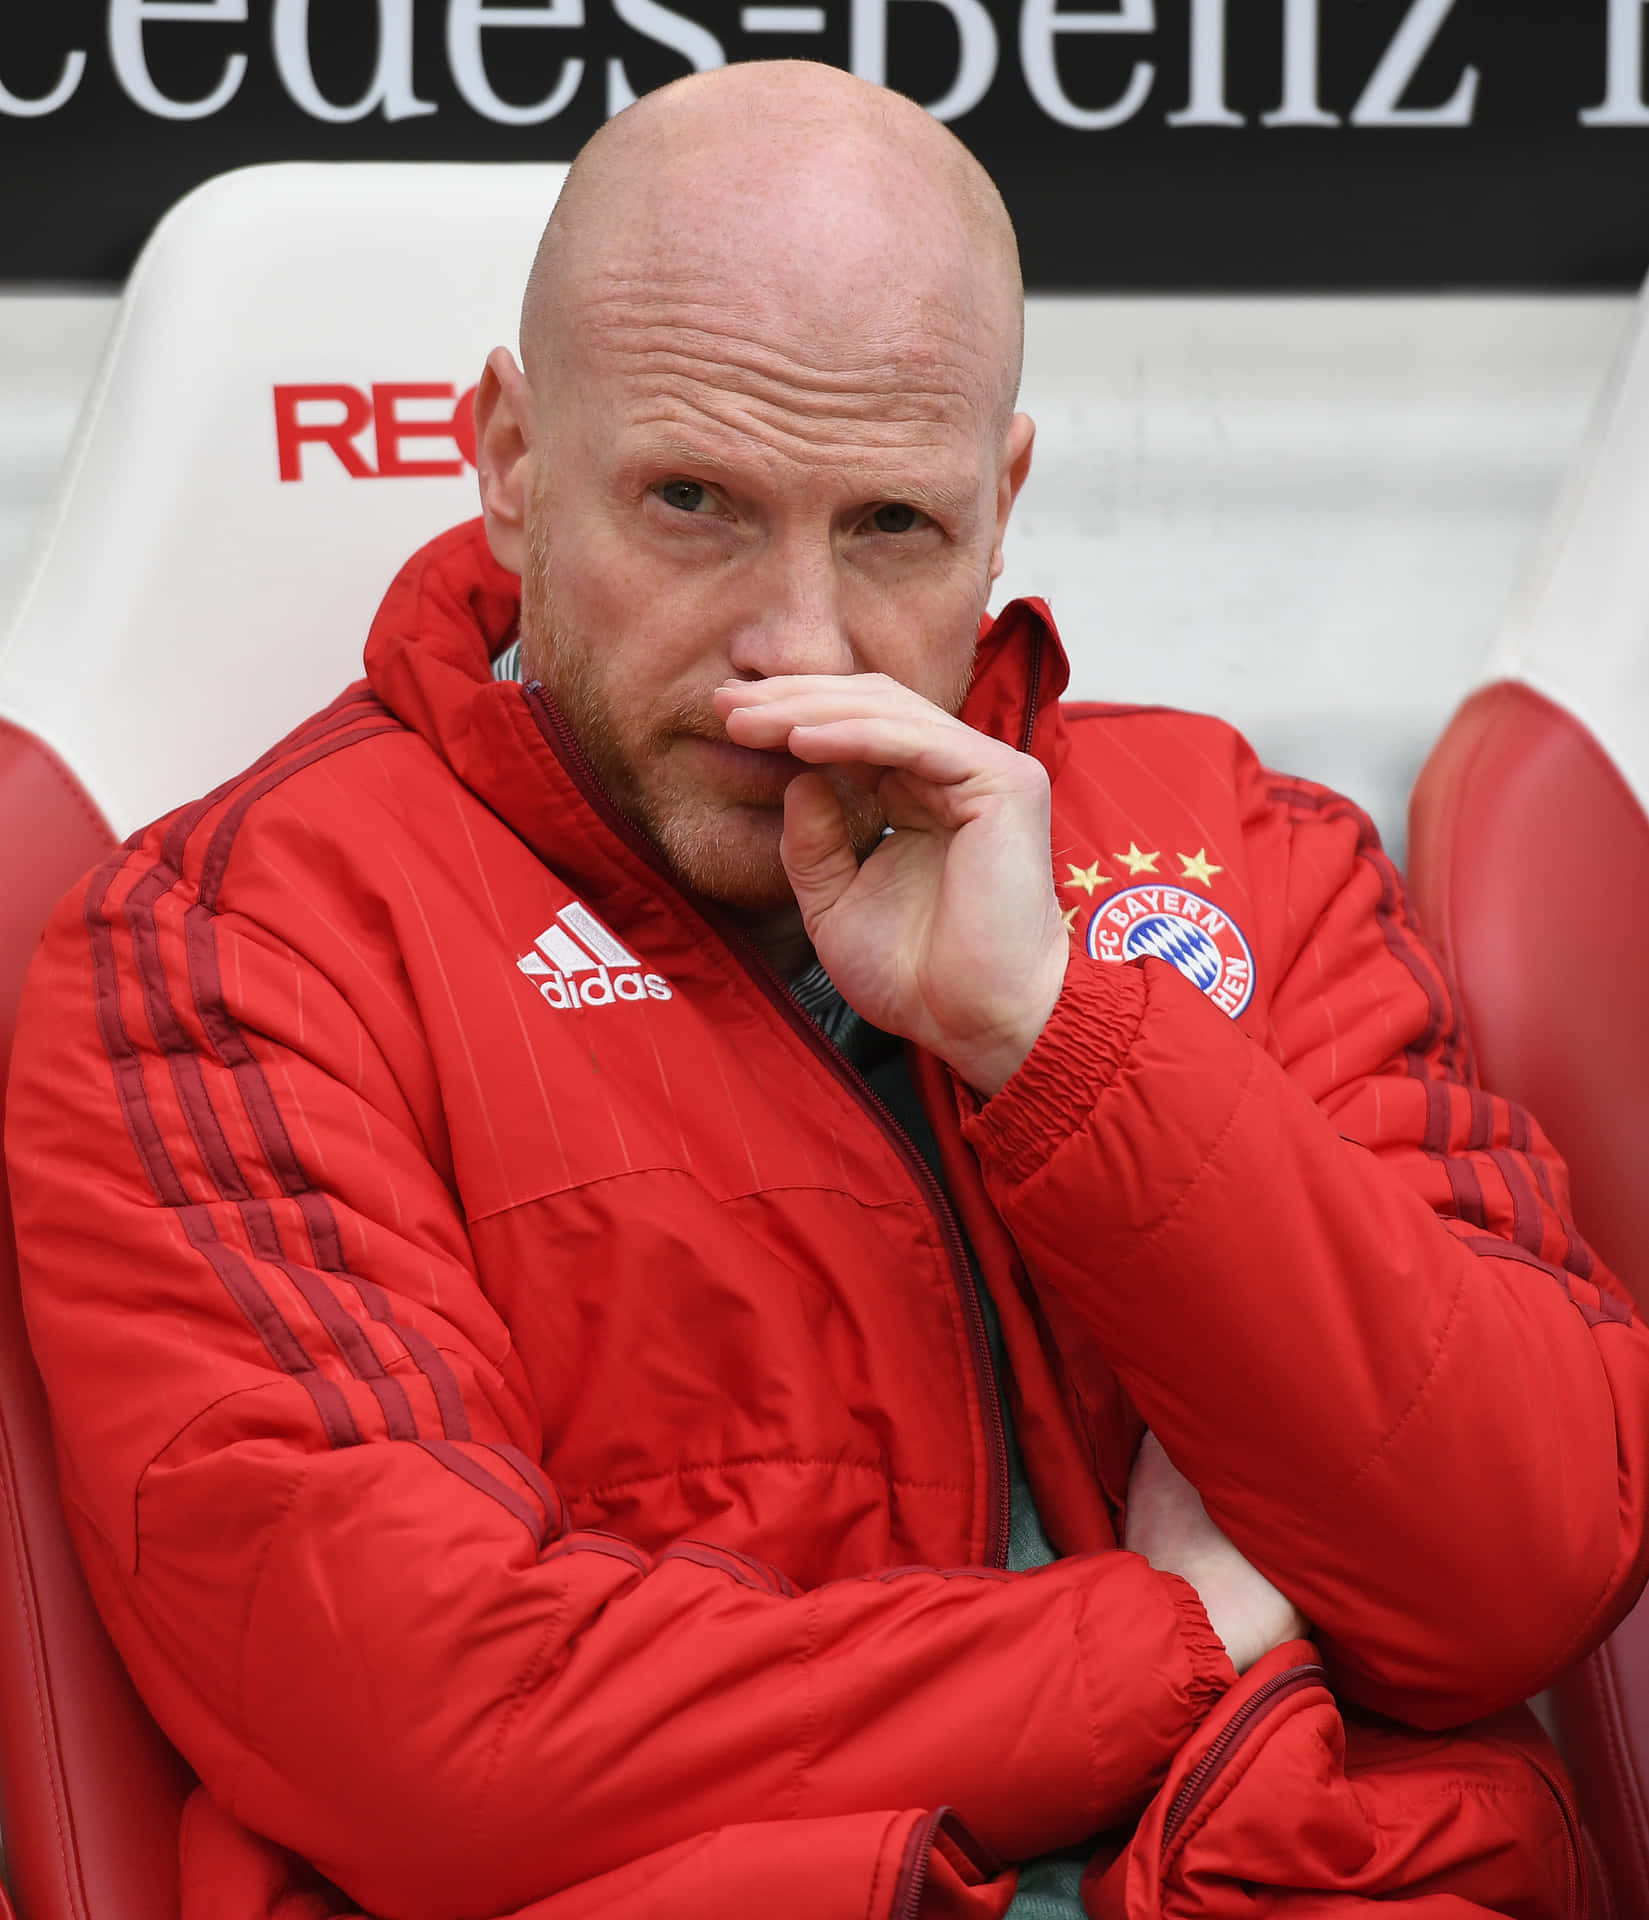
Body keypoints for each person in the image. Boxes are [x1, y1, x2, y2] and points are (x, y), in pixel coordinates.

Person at [7, 58, 1648, 1920]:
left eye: (890, 528)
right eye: (692, 501)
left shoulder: (1249, 855)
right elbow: (422, 1730)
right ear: (508, 459)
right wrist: (1171, 1638)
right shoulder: (238, 946)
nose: (791, 649)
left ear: (1002, 498)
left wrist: (1055, 1042)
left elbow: (1521, 1560)